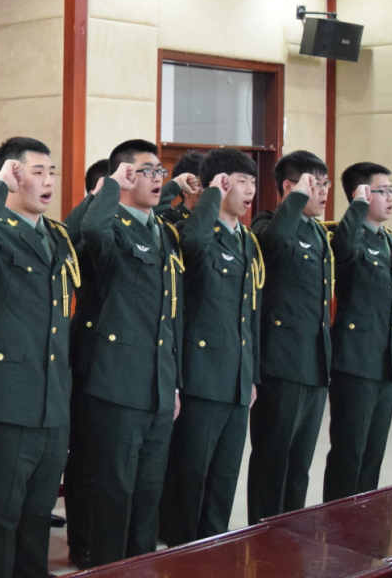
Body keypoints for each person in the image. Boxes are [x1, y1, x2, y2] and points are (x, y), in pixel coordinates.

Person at [0, 137, 81, 578]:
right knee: (1, 514)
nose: (48, 182)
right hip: (7, 400)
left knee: (38, 511)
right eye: (37, 172)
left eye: (51, 172)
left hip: (52, 397)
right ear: (12, 175)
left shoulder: (55, 235)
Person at [81, 139, 183, 566]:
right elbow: (91, 234)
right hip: (118, 383)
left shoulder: (162, 231)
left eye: (160, 171)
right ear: (124, 176)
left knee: (147, 494)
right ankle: (108, 568)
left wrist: (173, 383)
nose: (157, 179)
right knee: (115, 492)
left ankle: (142, 567)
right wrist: (110, 186)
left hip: (158, 384)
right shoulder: (112, 226)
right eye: (146, 171)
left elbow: (171, 316)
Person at [158, 148, 263, 546]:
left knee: (224, 477)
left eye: (253, 182)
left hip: (236, 379)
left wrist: (251, 375)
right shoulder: (198, 231)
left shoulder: (246, 240)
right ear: (219, 185)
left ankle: (215, 548)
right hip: (202, 377)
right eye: (240, 181)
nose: (249, 190)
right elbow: (192, 247)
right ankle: (182, 553)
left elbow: (248, 316)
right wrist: (210, 197)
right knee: (190, 478)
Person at [247, 150, 333, 524]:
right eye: (316, 184)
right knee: (272, 461)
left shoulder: (316, 231)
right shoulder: (268, 223)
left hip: (314, 363)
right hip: (281, 364)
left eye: (326, 184)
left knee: (299, 464)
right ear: (289, 187)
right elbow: (272, 244)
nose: (324, 192)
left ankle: (291, 535)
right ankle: (263, 538)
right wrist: (296, 200)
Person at [323, 163, 392, 502]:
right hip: (355, 363)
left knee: (373, 453)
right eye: (381, 191)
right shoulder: (349, 237)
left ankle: (363, 522)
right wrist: (357, 206)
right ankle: (336, 521)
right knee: (349, 453)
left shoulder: (390, 242)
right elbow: (342, 249)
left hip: (385, 363)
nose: (390, 198)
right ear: (360, 194)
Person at [61, 158, 109, 570]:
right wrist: (97, 198)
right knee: (87, 457)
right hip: (90, 352)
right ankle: (82, 542)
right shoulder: (90, 228)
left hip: (130, 364)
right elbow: (71, 239)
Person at [156, 151, 205, 225]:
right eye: (204, 185)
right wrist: (177, 183)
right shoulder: (170, 219)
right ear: (186, 191)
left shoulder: (215, 217)